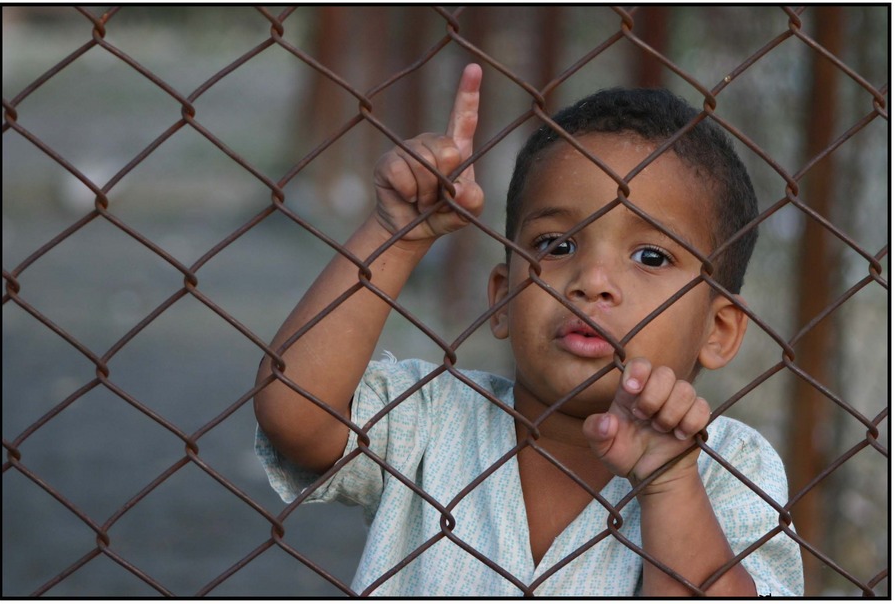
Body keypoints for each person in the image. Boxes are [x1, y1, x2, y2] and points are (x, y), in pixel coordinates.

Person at [253, 63, 804, 597]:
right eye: (555, 245)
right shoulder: (436, 416)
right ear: (502, 297)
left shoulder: (730, 469)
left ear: (719, 329)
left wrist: (670, 483)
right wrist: (394, 235)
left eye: (651, 256)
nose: (591, 281)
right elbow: (294, 416)